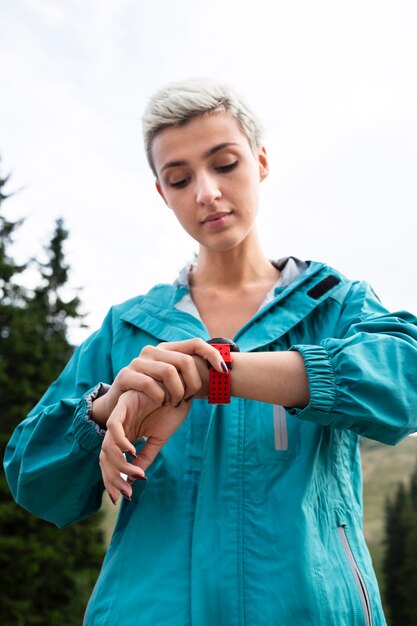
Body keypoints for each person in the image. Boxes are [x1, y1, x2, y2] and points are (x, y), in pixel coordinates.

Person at [4, 78, 417, 626]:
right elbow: (34, 480)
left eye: (225, 165)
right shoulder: (127, 328)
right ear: (162, 192)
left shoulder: (337, 306)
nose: (206, 193)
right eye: (179, 178)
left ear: (261, 161)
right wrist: (104, 409)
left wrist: (212, 376)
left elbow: (405, 381)